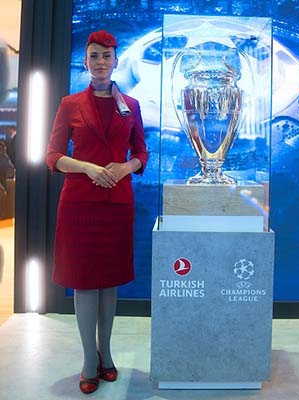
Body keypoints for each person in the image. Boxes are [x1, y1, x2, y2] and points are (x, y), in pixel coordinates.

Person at [46, 30, 148, 394]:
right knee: (85, 282)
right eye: (94, 56)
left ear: (116, 61)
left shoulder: (130, 105)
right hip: (79, 204)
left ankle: (107, 354)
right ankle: (90, 359)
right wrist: (88, 168)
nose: (100, 62)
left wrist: (125, 167)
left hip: (117, 203)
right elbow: (53, 156)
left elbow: (141, 153)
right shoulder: (70, 104)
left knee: (109, 282)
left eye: (106, 56)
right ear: (86, 61)